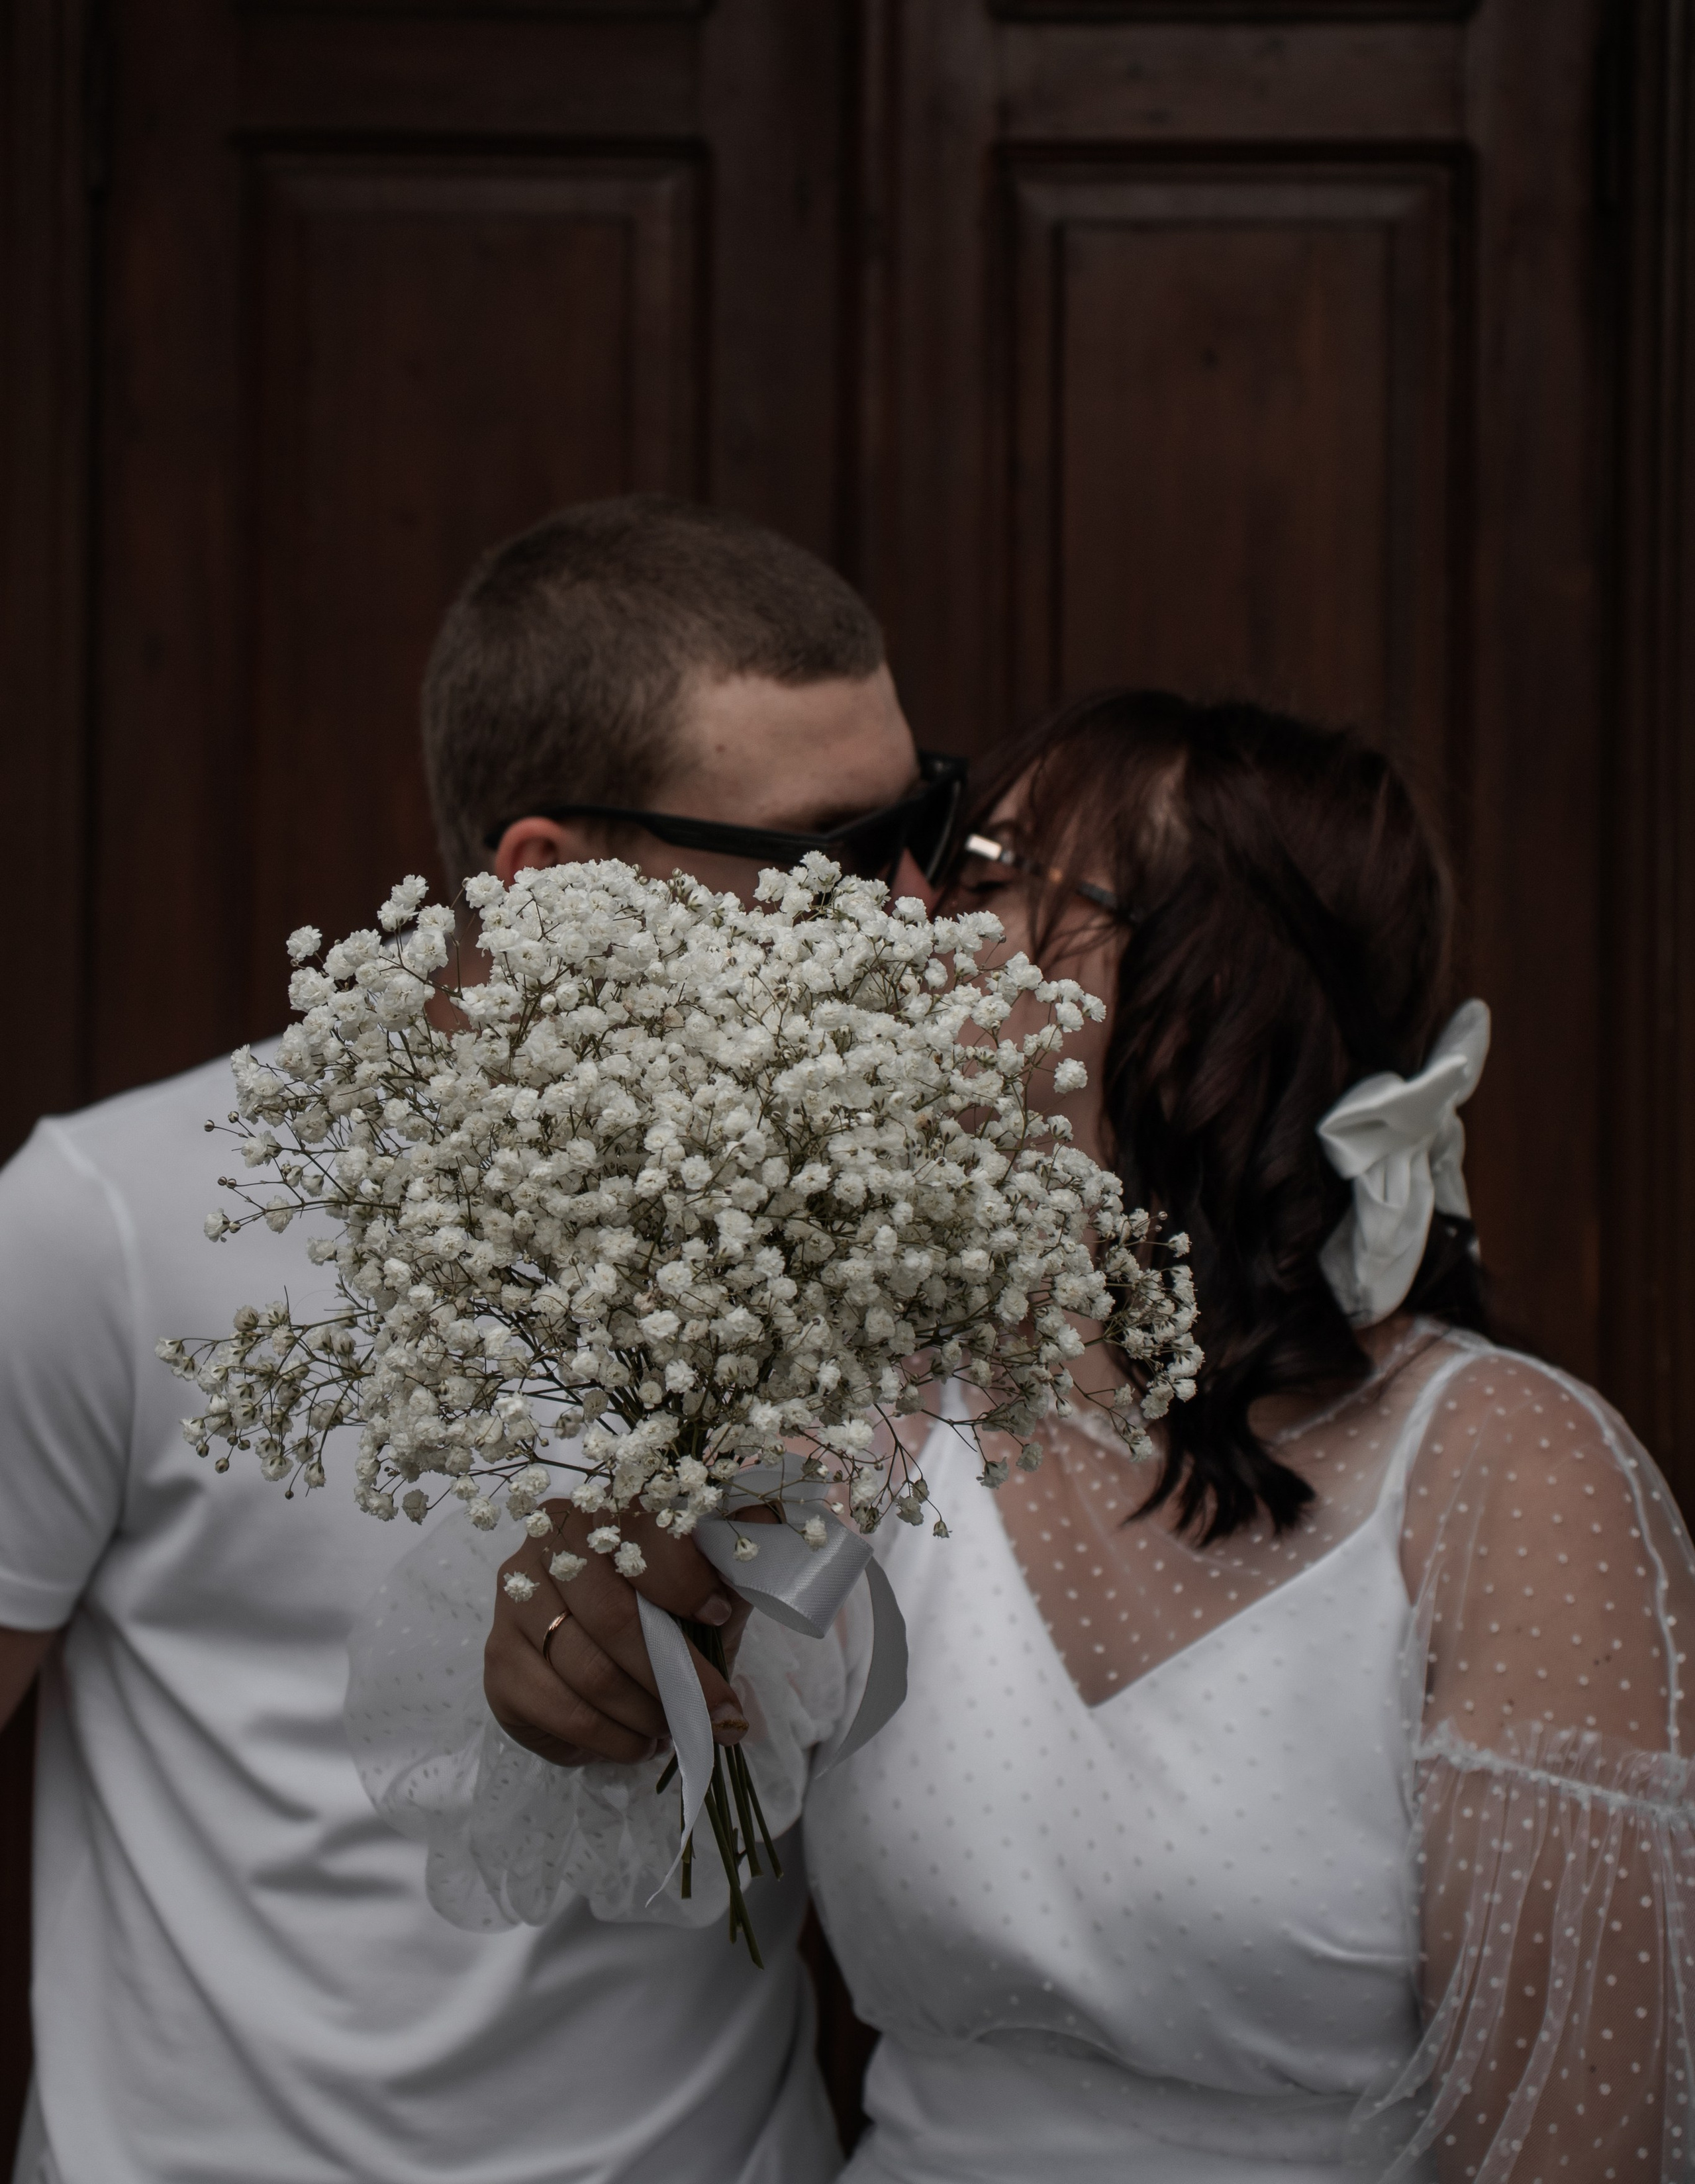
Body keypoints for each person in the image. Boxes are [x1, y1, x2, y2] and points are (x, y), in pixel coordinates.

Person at [412, 688, 1695, 2181]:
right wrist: (595, 1641)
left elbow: (1569, 2137)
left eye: (1001, 877)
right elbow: (639, 1809)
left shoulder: (1508, 1476)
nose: (915, 918)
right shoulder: (874, 1406)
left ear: (1220, 986)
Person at [0, 497, 961, 2184]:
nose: (904, 912)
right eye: (823, 855)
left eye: (923, 824)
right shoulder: (117, 1224)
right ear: (546, 884)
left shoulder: (875, 1230)